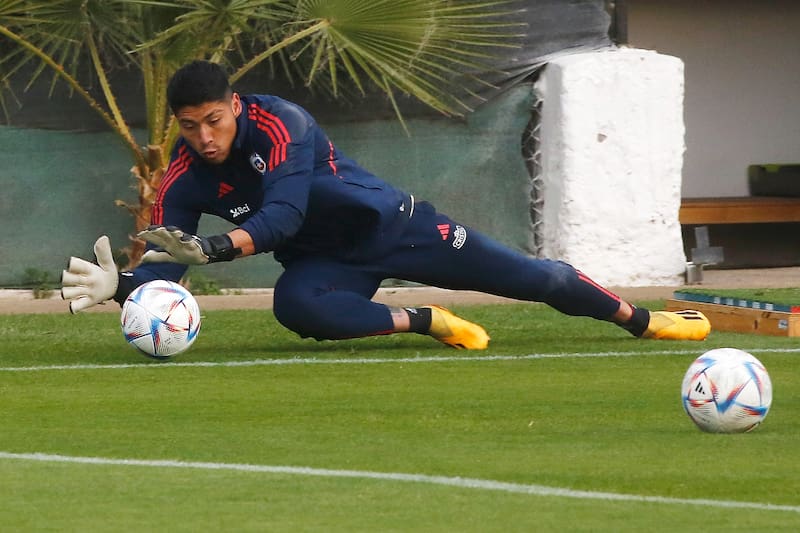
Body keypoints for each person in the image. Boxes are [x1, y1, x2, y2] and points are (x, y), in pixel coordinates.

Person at [61, 60, 711, 349]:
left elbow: (282, 216)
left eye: (213, 120)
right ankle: (427, 321)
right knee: (297, 305)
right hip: (326, 262)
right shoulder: (183, 173)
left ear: (234, 106)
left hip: (395, 228)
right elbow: (166, 275)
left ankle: (645, 321)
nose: (204, 136)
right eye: (189, 125)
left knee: (536, 277)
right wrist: (124, 285)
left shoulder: (282, 123)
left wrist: (216, 247)